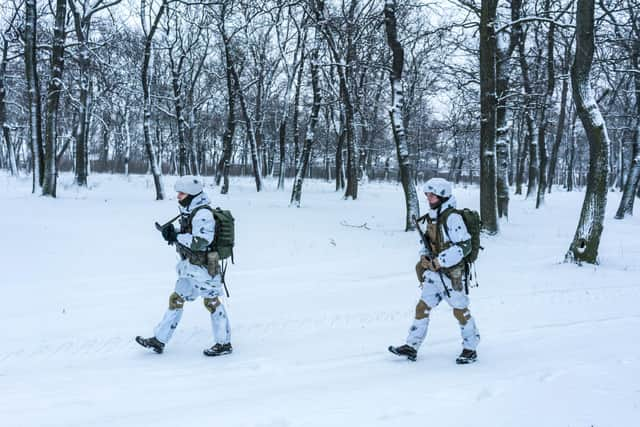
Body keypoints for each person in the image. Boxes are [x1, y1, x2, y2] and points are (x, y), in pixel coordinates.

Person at [136, 176, 232, 357]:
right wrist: (172, 233)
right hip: (190, 266)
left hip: (205, 267)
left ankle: (224, 343)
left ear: (192, 194)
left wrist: (175, 236)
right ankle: (159, 340)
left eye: (182, 193)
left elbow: (201, 242)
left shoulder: (203, 214)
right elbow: (190, 234)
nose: (178, 196)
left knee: (211, 302)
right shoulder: (191, 210)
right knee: (176, 299)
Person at [389, 177, 480, 364]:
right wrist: (424, 257)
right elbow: (429, 242)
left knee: (460, 311)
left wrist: (440, 261)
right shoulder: (432, 216)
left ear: (443, 196)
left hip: (451, 274)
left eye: (433, 195)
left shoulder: (452, 217)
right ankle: (411, 346)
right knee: (422, 307)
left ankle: (471, 347)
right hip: (433, 274)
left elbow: (464, 246)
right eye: (427, 194)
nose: (429, 198)